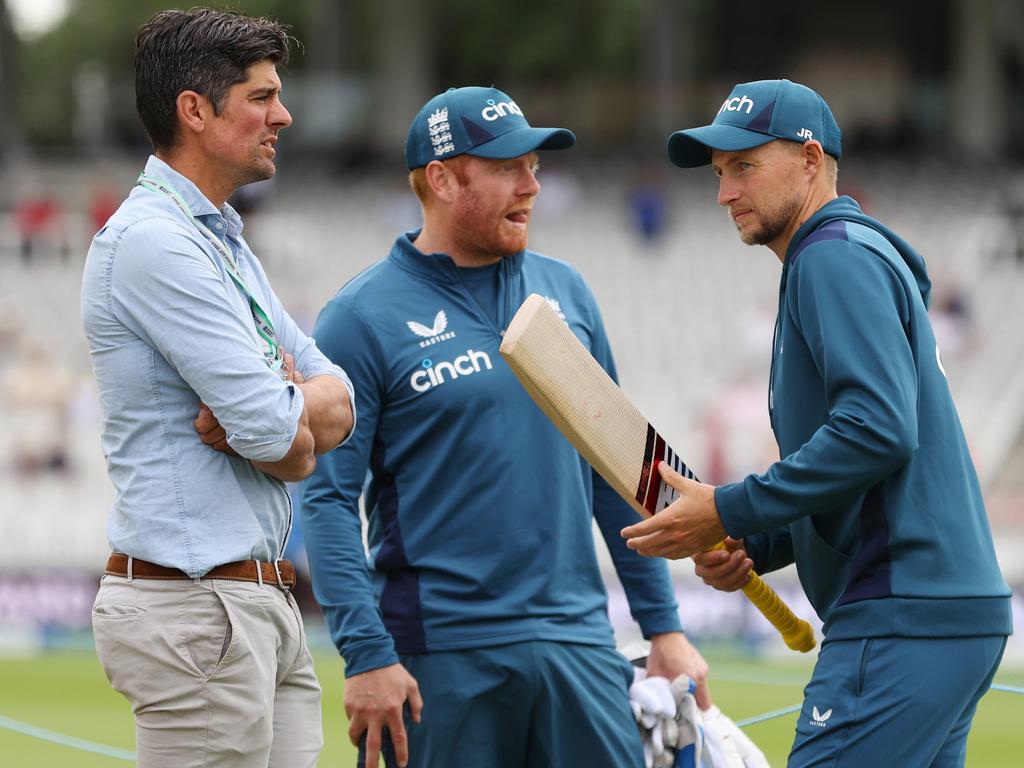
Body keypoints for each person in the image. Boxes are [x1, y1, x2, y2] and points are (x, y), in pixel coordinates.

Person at [300, 86, 711, 768]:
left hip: (578, 647)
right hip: (440, 657)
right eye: (507, 168)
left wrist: (662, 627)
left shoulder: (568, 291)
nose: (532, 185)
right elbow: (327, 500)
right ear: (440, 178)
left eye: (536, 167)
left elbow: (616, 473)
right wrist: (366, 655)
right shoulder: (361, 316)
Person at [621, 79, 1013, 766]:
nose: (724, 193)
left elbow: (878, 430)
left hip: (902, 614)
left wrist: (731, 509)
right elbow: (867, 464)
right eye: (718, 175)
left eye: (743, 166)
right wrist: (757, 539)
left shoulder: (829, 255)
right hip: (940, 610)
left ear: (810, 160)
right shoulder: (851, 255)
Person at [81, 9, 355, 767]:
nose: (284, 115)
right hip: (198, 605)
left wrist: (290, 425)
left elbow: (338, 399)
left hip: (248, 603)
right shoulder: (154, 242)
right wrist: (293, 430)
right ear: (194, 111)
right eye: (261, 97)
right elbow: (278, 430)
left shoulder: (218, 237)